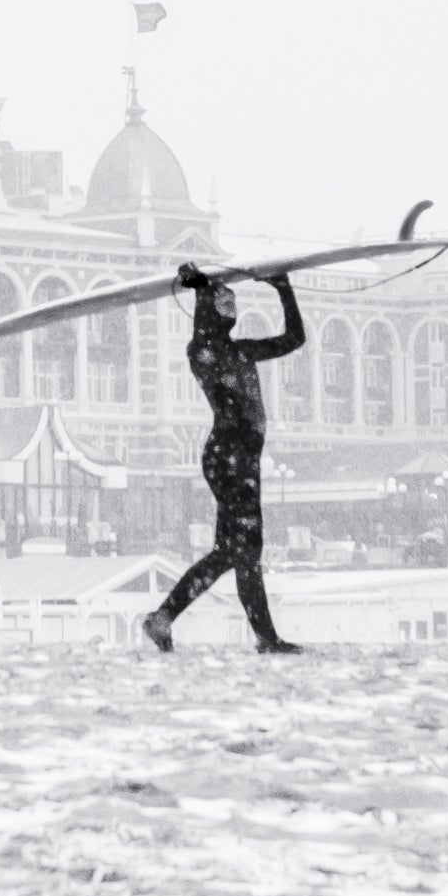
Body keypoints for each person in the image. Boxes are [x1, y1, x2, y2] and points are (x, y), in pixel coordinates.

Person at [143, 261, 306, 655]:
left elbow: (294, 338)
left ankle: (163, 617)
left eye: (233, 304)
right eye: (224, 304)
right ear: (211, 311)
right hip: (230, 457)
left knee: (229, 554)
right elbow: (204, 332)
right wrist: (200, 287)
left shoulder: (240, 351)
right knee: (246, 552)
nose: (231, 311)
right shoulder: (202, 351)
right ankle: (266, 638)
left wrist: (282, 288)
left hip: (235, 459)